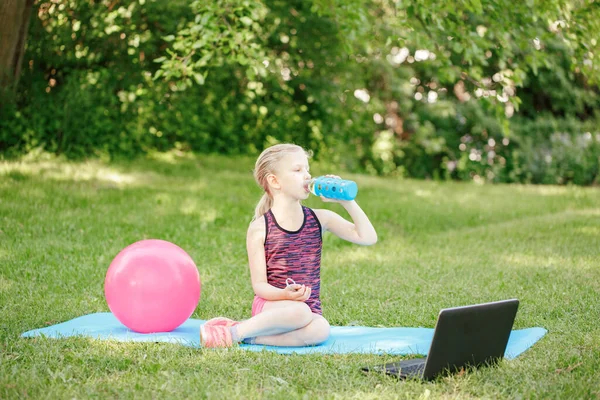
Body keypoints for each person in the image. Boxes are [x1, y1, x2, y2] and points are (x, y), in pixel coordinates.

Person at [200, 143, 377, 348]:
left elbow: (368, 238)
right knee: (299, 311)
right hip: (272, 305)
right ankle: (231, 333)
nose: (306, 175)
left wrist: (346, 201)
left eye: (307, 169)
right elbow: (260, 286)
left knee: (321, 329)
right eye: (297, 170)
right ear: (275, 181)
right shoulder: (260, 228)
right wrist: (284, 295)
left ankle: (243, 335)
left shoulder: (320, 218)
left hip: (309, 310)